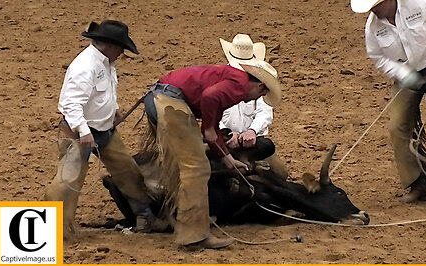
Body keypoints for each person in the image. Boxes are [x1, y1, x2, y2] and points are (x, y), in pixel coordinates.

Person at [143, 61, 281, 249]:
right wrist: (207, 128)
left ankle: (166, 218)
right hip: (169, 101)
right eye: (262, 94)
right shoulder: (239, 86)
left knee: (189, 164)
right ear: (260, 85)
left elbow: (213, 126)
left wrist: (227, 158)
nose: (255, 99)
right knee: (196, 167)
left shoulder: (230, 79)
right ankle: (193, 236)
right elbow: (209, 102)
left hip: (162, 97)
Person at [351, 0, 426, 205]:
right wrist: (401, 73)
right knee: (397, 127)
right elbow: (378, 57)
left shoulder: (419, 3)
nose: (373, 11)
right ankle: (417, 183)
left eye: (376, 5)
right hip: (406, 75)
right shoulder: (373, 27)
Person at [44, 20, 158, 239]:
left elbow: (103, 94)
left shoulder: (106, 63)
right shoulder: (84, 66)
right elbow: (71, 103)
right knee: (68, 180)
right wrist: (83, 130)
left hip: (105, 131)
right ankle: (55, 231)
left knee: (128, 171)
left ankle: (144, 215)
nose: (122, 53)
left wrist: (113, 110)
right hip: (80, 133)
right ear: (112, 46)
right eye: (122, 49)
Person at [219, 34, 289, 180]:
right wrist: (228, 133)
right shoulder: (219, 80)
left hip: (254, 143)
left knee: (280, 174)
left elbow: (265, 111)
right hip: (225, 142)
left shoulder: (260, 80)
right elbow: (215, 112)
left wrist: (252, 131)